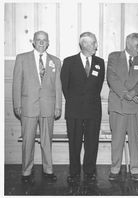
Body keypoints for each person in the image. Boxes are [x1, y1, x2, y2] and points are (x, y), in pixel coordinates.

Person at [12, 31, 62, 184]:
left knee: (47, 140)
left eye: (44, 40)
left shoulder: (55, 61)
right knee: (28, 140)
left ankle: (48, 170)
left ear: (48, 43)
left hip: (48, 106)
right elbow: (16, 84)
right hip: (28, 106)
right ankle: (26, 171)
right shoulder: (22, 58)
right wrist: (17, 105)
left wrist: (58, 106)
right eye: (38, 40)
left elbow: (58, 85)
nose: (41, 42)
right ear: (33, 42)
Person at [60, 32, 105, 184]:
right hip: (74, 110)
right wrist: (76, 101)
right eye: (94, 43)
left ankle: (90, 171)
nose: (96, 46)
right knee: (74, 143)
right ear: (84, 44)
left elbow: (97, 86)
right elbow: (65, 87)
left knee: (92, 143)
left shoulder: (100, 62)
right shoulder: (69, 62)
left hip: (93, 110)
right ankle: (74, 172)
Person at [107, 33, 138, 181]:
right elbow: (111, 78)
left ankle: (135, 168)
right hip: (118, 105)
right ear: (129, 45)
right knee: (117, 139)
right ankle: (115, 168)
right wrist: (126, 94)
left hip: (135, 106)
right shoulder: (114, 57)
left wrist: (134, 92)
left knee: (134, 139)